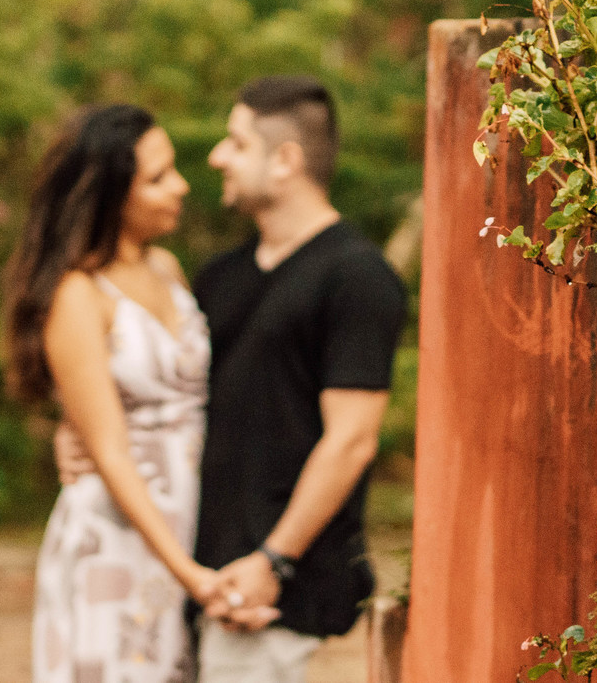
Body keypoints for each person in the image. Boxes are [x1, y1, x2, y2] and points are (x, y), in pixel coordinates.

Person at [58, 76, 407, 682]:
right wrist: (76, 428)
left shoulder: (357, 276)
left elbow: (351, 439)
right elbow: (168, 391)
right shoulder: (219, 278)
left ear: (286, 161)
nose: (216, 156)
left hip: (277, 589)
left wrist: (275, 559)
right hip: (198, 575)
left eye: (237, 143)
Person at [2, 104, 219, 683]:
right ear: (110, 196)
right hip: (118, 538)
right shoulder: (78, 295)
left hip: (187, 522)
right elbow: (109, 449)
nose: (181, 186)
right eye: (157, 178)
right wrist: (188, 572)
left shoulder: (169, 270)